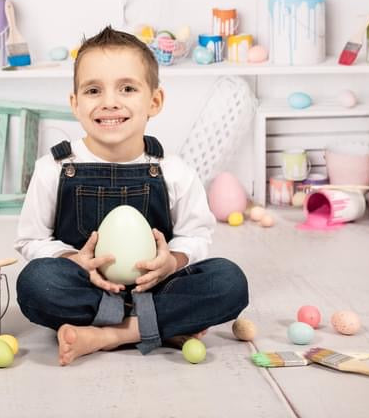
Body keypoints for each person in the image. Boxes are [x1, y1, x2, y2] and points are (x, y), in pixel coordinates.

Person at [15, 26, 249, 365]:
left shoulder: (173, 169)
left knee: (229, 281)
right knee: (35, 283)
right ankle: (161, 326)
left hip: (156, 286)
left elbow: (196, 235)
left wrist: (173, 262)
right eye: (93, 90)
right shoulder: (54, 167)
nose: (110, 101)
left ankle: (110, 335)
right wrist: (72, 261)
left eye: (127, 88)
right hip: (87, 287)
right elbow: (31, 240)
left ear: (154, 101)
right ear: (75, 103)